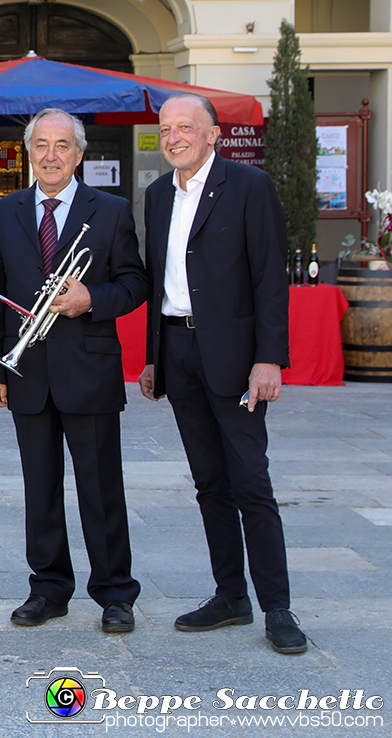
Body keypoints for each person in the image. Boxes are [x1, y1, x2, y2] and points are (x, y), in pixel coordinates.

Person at [138, 92, 307, 654]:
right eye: (165, 129)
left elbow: (269, 279)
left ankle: (277, 608)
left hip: (236, 359)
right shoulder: (158, 194)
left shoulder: (248, 186)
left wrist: (269, 358)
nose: (174, 136)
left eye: (186, 127)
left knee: (251, 484)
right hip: (179, 354)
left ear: (213, 134)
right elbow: (160, 280)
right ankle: (230, 596)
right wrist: (154, 357)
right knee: (209, 483)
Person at [0, 109, 147, 634]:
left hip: (89, 371)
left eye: (62, 145)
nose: (51, 155)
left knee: (101, 489)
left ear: (79, 153)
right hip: (26, 371)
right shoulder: (5, 212)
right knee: (40, 487)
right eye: (42, 145)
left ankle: (115, 594)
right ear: (30, 152)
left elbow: (135, 283)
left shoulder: (113, 210)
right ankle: (48, 588)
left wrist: (90, 297)